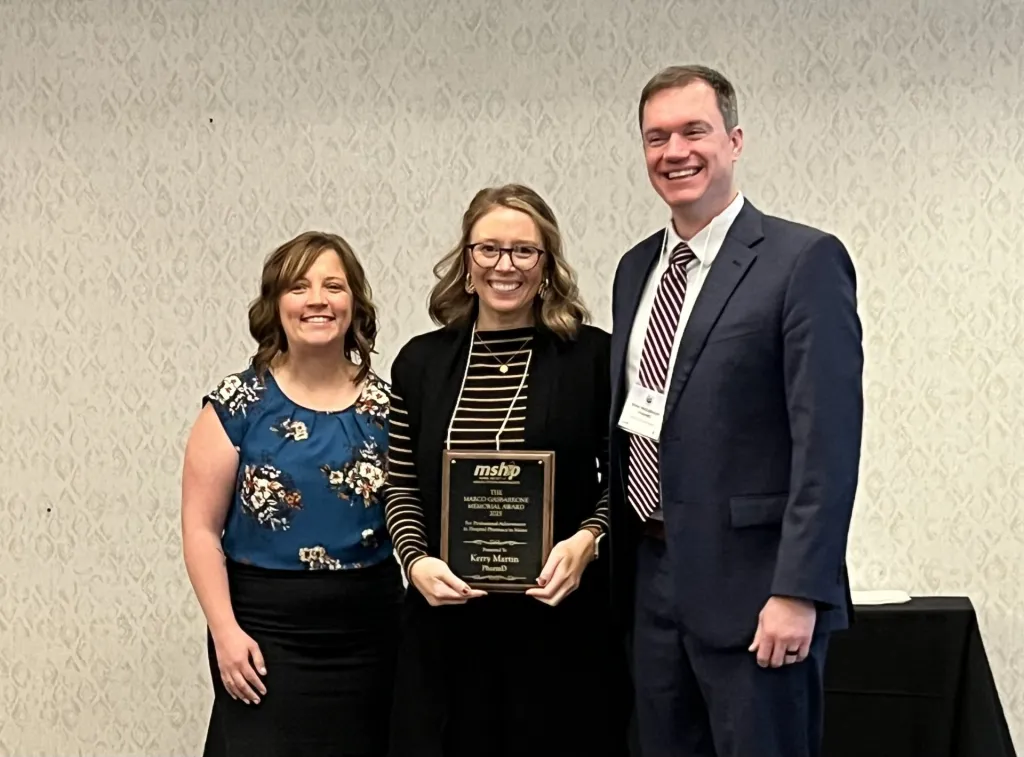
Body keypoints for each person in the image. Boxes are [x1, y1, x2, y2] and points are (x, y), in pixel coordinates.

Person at [608, 65, 864, 757]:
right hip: (652, 580)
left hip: (758, 592)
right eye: (656, 137)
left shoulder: (802, 259)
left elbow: (828, 444)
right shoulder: (636, 270)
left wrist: (799, 590)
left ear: (735, 139)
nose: (675, 151)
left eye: (695, 130)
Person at [383, 184, 631, 757]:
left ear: (546, 265)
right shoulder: (419, 362)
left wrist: (588, 542)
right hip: (446, 628)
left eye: (525, 251)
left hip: (559, 626)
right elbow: (399, 483)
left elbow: (625, 479)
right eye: (488, 249)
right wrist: (415, 562)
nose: (505, 265)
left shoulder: (592, 357)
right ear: (466, 261)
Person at [180, 231, 403, 757]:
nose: (318, 300)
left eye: (334, 285)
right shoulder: (237, 404)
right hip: (262, 637)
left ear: (354, 303)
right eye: (299, 287)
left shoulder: (391, 406)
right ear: (276, 304)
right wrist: (224, 634)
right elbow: (200, 529)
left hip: (372, 635)